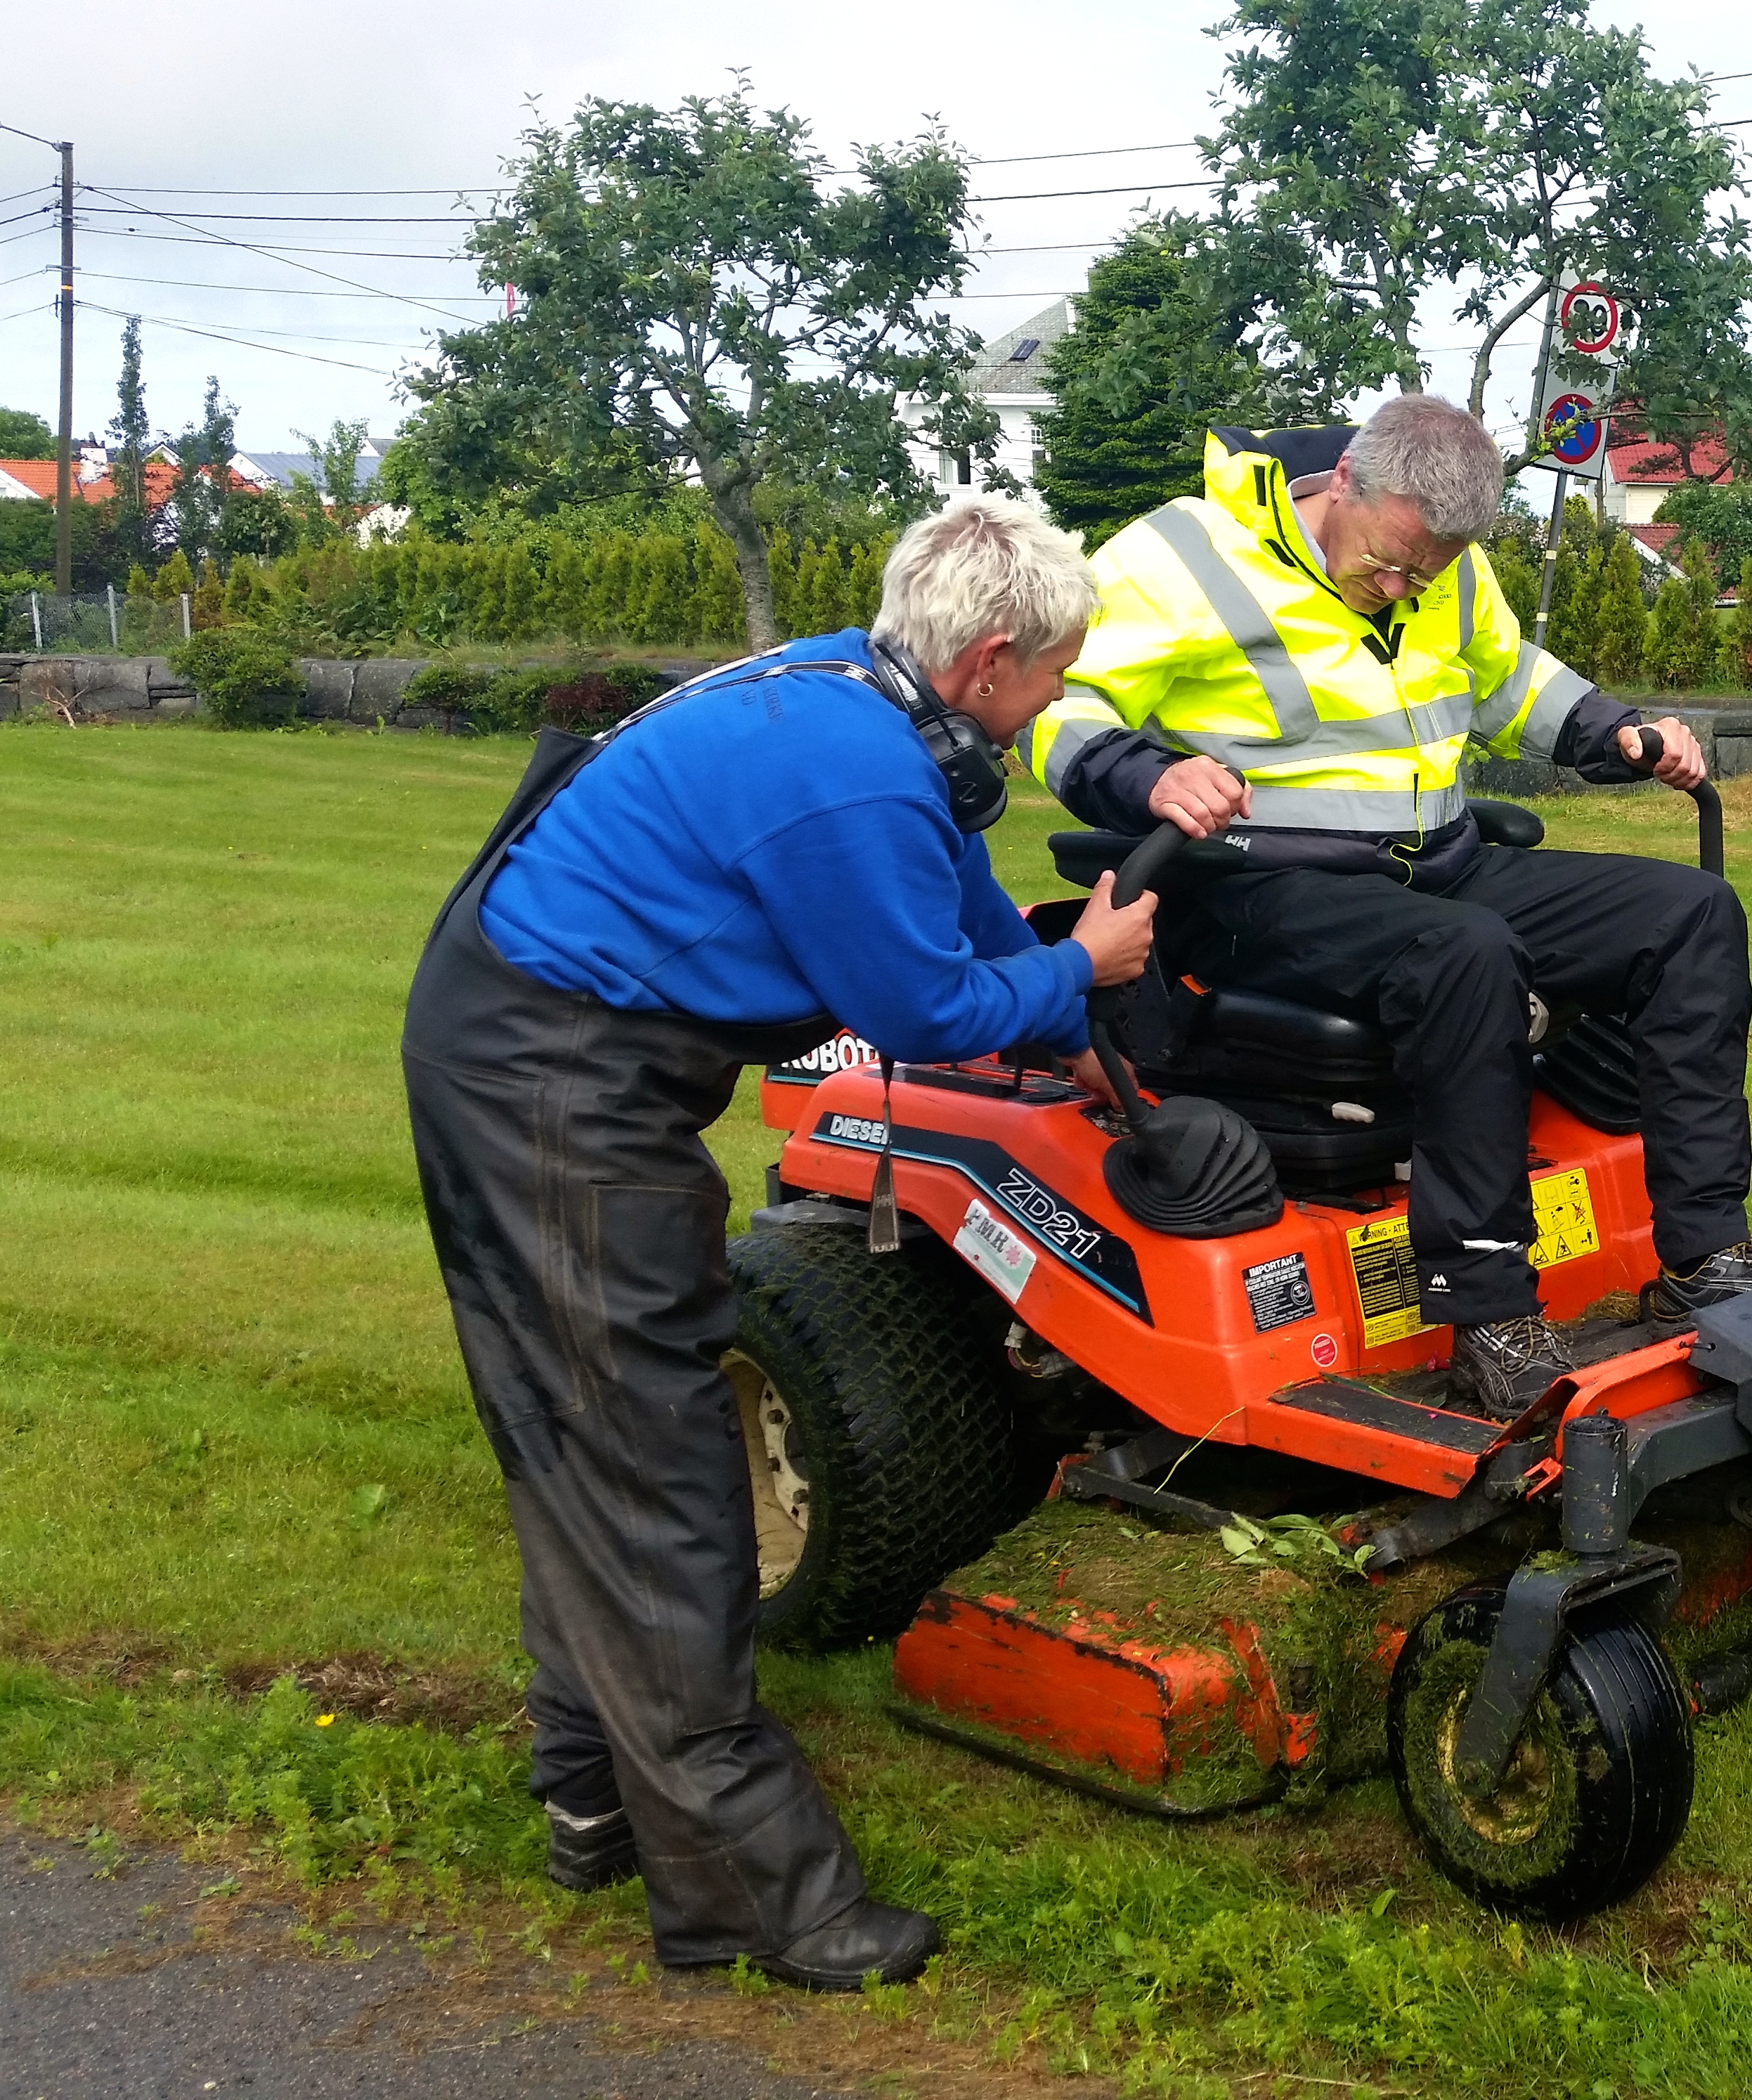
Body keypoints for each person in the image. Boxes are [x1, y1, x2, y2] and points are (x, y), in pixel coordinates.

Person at [401, 494, 1157, 1987]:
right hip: (555, 1082)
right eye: (1056, 670)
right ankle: (762, 1898)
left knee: (593, 1437)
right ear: (987, 657)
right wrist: (1086, 962)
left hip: (560, 1052)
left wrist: (1066, 1021)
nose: (1064, 693)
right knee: (657, 1471)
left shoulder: (860, 696)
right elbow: (928, 1014)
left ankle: (590, 1797)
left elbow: (958, 917)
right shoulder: (850, 779)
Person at [1025, 394, 1752, 1415]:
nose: (1402, 586)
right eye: (1390, 561)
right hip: (1259, 887)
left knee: (1688, 912)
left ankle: (1705, 1256)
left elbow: (1507, 678)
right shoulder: (1182, 555)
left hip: (1437, 865)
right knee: (1465, 953)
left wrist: (1618, 731)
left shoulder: (1445, 564)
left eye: (1424, 572)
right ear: (1345, 482)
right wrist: (1146, 777)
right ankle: (1489, 1314)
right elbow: (1061, 699)